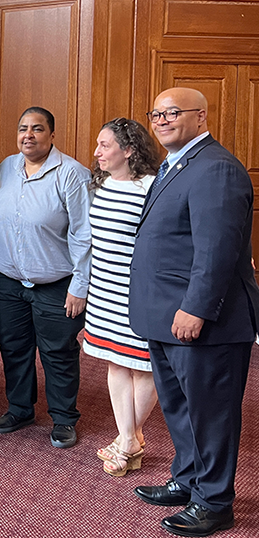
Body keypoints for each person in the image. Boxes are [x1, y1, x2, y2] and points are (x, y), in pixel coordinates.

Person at [130, 88, 259, 537]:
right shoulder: (178, 164)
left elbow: (216, 251)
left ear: (201, 116)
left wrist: (196, 308)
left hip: (203, 321)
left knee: (212, 413)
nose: (162, 120)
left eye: (173, 112)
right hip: (167, 317)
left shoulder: (216, 168)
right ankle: (188, 480)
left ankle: (214, 502)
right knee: (181, 408)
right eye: (157, 113)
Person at [0, 106, 91, 449]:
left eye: (37, 129)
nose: (28, 135)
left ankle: (63, 418)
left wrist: (80, 285)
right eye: (23, 129)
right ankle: (20, 409)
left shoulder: (72, 174)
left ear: (52, 135)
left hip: (57, 284)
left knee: (58, 352)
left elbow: (84, 234)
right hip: (7, 282)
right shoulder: (5, 168)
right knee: (13, 348)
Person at [82, 118, 160, 476]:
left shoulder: (152, 187)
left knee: (143, 365)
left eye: (105, 145)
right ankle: (131, 438)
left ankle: (127, 442)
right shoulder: (101, 185)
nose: (97, 152)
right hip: (103, 289)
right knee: (115, 361)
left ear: (128, 150)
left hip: (139, 290)